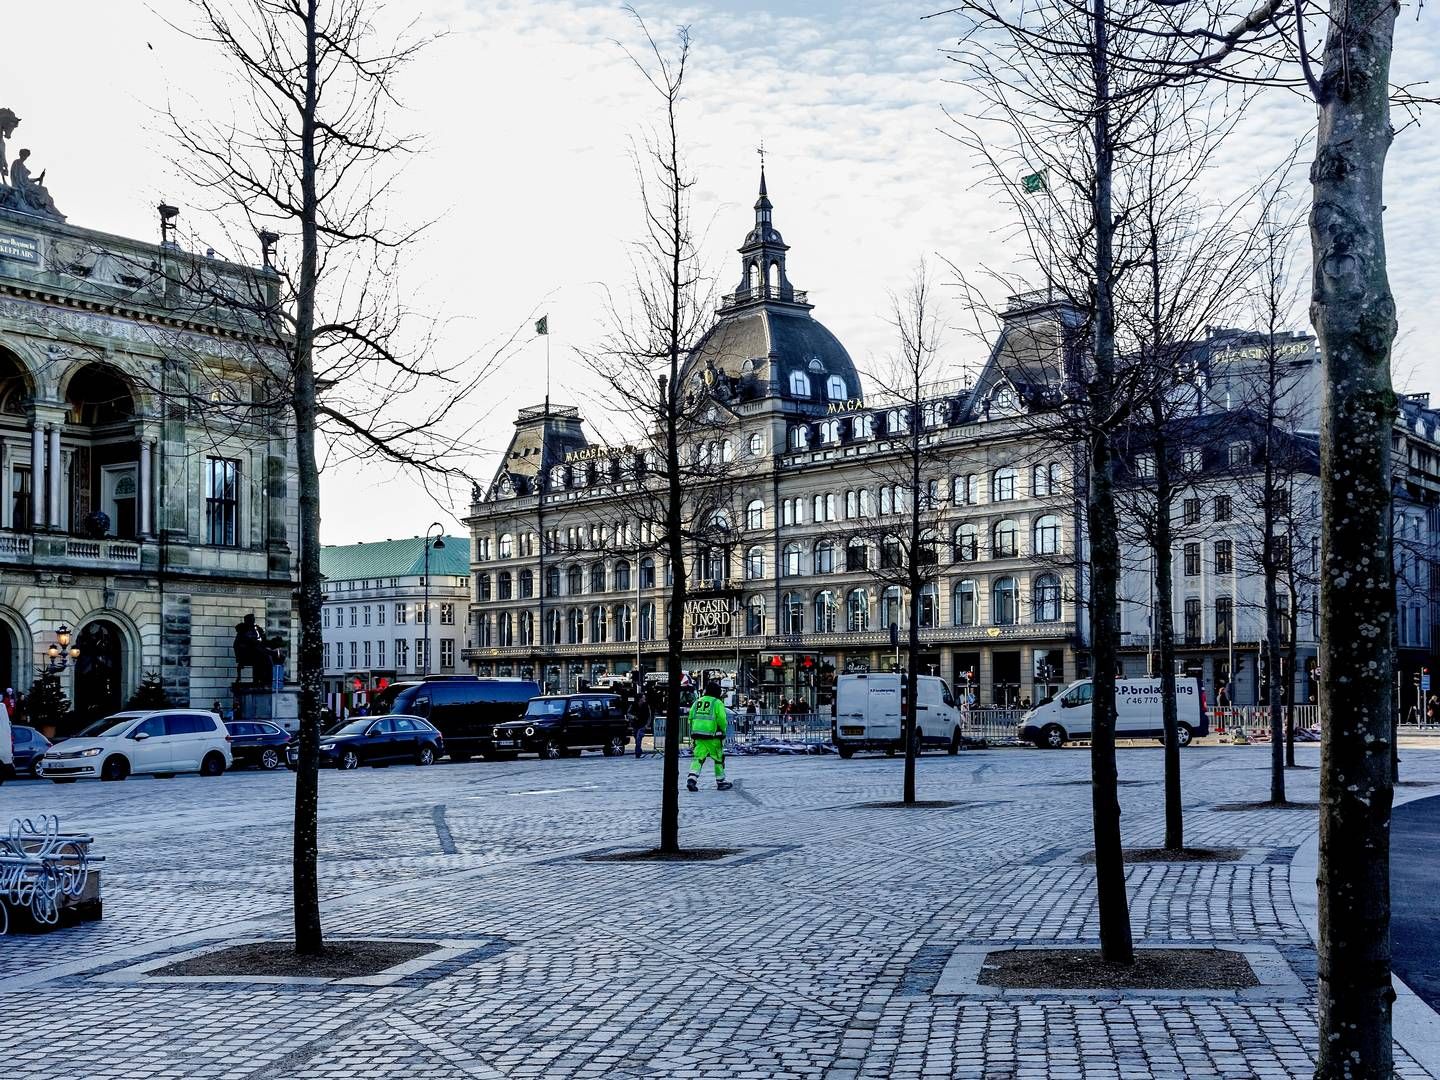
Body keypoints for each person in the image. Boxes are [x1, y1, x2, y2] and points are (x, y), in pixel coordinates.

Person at [686, 681, 731, 791]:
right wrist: (723, 732)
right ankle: (721, 781)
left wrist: (693, 732)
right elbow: (722, 720)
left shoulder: (697, 702)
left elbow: (690, 718)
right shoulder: (717, 703)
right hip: (713, 736)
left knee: (698, 758)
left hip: (698, 735)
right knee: (718, 758)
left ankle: (692, 779)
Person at [631, 692, 651, 759]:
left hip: (643, 724)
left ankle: (637, 753)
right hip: (635, 724)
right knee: (637, 739)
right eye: (643, 697)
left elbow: (649, 716)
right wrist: (633, 717)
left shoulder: (646, 705)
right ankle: (639, 750)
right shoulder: (633, 705)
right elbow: (628, 713)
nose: (644, 698)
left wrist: (647, 725)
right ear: (640, 699)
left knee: (638, 738)